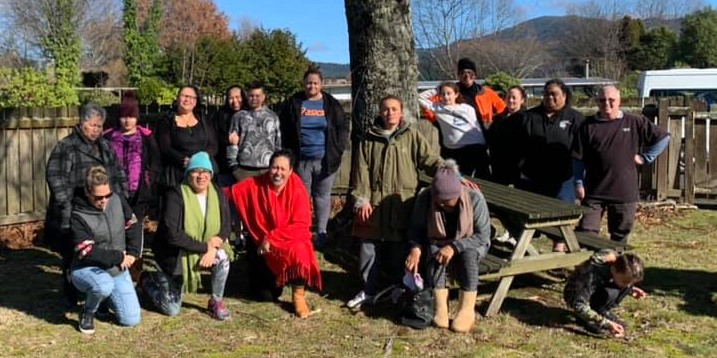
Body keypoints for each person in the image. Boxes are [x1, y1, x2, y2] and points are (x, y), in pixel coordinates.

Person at [348, 95, 476, 308]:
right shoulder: (369, 139)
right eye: (386, 109)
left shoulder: (411, 135)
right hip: (375, 206)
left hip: (402, 204)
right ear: (380, 112)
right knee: (368, 248)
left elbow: (431, 160)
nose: (390, 113)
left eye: (394, 109)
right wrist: (361, 200)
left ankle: (400, 290)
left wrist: (454, 176)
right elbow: (360, 172)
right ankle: (368, 291)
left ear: (401, 111)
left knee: (401, 250)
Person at [45, 102, 128, 308]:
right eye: (93, 125)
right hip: (75, 210)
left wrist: (122, 199)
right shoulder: (67, 146)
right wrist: (67, 205)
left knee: (98, 250)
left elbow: (118, 172)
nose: (97, 130)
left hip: (103, 208)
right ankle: (70, 294)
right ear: (82, 123)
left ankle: (98, 291)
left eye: (100, 126)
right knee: (71, 254)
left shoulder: (105, 146)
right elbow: (55, 177)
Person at [226, 149, 322, 318]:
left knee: (300, 248)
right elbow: (230, 193)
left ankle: (298, 294)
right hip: (263, 248)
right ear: (269, 168)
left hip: (286, 243)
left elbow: (301, 225)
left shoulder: (298, 189)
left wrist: (272, 239)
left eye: (283, 169)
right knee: (265, 297)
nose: (278, 173)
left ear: (291, 171)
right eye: (274, 168)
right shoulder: (256, 184)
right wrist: (203, 190)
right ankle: (274, 278)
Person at [573, 85, 670, 243]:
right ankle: (592, 265)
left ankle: (617, 265)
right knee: (586, 233)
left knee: (620, 236)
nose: (607, 104)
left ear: (619, 101)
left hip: (624, 191)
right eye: (602, 100)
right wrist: (578, 182)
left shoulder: (634, 122)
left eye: (611, 100)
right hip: (594, 192)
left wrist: (646, 158)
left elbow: (664, 137)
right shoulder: (587, 126)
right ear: (597, 102)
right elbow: (577, 158)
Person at [144, 152, 234, 320]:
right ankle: (148, 279)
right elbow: (173, 235)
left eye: (205, 171)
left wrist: (214, 246)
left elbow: (226, 226)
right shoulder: (175, 195)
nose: (201, 176)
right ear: (188, 174)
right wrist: (206, 247)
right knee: (172, 310)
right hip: (175, 255)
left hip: (204, 249)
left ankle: (216, 301)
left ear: (211, 174)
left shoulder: (217, 194)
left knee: (223, 257)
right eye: (196, 171)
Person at [405, 161, 491, 333]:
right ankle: (440, 307)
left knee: (468, 255)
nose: (443, 205)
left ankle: (466, 309)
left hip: (471, 241)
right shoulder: (426, 198)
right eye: (439, 202)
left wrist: (454, 246)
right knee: (435, 253)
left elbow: (482, 235)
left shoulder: (475, 198)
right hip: (438, 240)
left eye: (448, 201)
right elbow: (417, 229)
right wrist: (415, 248)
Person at [279, 67, 350, 248]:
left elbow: (343, 127)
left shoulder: (331, 104)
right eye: (309, 82)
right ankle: (301, 231)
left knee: (322, 196)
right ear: (304, 84)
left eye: (315, 83)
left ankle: (321, 232)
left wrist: (339, 148)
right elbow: (283, 127)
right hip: (301, 160)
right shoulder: (294, 102)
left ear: (321, 84)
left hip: (326, 159)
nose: (312, 86)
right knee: (302, 197)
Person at [512, 79, 585, 252]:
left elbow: (581, 150)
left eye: (554, 94)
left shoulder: (576, 119)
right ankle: (526, 251)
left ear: (564, 96)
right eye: (546, 94)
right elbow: (516, 145)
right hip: (533, 177)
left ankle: (558, 250)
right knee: (530, 218)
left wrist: (580, 179)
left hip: (563, 178)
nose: (549, 97)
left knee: (561, 216)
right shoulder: (529, 116)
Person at [69, 166, 142, 334]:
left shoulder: (117, 199)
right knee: (103, 285)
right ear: (87, 192)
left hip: (117, 268)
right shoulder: (77, 214)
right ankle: (88, 312)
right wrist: (118, 257)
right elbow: (86, 251)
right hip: (86, 268)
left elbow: (133, 224)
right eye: (98, 197)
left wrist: (132, 253)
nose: (104, 200)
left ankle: (104, 300)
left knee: (131, 319)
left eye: (107, 195)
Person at [104, 91, 162, 231]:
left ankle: (135, 252)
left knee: (136, 226)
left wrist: (149, 179)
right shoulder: (109, 137)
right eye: (124, 116)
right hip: (114, 190)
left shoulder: (145, 137)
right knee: (115, 225)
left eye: (131, 116)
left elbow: (155, 161)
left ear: (136, 118)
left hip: (139, 192)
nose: (127, 120)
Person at [563, 249, 647, 337]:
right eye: (625, 281)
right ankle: (586, 318)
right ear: (614, 270)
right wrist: (604, 322)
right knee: (608, 293)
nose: (627, 285)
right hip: (577, 296)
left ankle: (602, 311)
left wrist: (631, 290)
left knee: (621, 288)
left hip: (596, 290)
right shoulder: (590, 276)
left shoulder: (616, 265)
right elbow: (579, 304)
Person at [417, 81, 489, 178]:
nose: (446, 97)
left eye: (449, 93)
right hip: (453, 149)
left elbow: (475, 126)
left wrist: (482, 143)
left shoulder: (467, 108)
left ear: (456, 94)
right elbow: (419, 97)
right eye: (443, 94)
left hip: (474, 147)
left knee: (482, 177)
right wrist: (436, 89)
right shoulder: (438, 107)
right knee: (456, 178)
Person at [156, 85, 218, 189]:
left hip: (203, 171)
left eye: (192, 97)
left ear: (196, 101)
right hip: (177, 173)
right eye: (184, 96)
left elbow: (213, 144)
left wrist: (202, 158)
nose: (188, 99)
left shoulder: (203, 119)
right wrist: (183, 160)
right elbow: (164, 147)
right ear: (178, 98)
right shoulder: (167, 120)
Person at [227, 82, 282, 182]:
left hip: (267, 169)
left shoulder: (273, 117)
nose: (254, 98)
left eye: (257, 96)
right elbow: (232, 142)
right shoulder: (239, 117)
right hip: (244, 170)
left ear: (263, 97)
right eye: (251, 96)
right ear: (247, 97)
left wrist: (278, 166)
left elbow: (278, 144)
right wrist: (233, 166)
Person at [489, 85, 527, 185]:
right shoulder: (498, 118)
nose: (510, 100)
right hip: (498, 166)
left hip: (518, 167)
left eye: (514, 98)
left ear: (522, 100)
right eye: (508, 97)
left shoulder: (527, 119)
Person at [212, 85, 245, 187]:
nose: (235, 101)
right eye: (231, 98)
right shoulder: (219, 116)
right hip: (225, 166)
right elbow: (212, 137)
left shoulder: (250, 114)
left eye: (238, 97)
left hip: (246, 166)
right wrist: (227, 139)